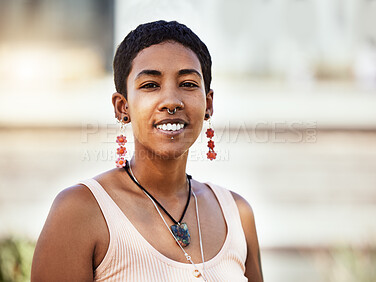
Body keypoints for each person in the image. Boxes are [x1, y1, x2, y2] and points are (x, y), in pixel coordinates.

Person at [31, 20, 263, 282]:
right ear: (122, 107)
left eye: (187, 84)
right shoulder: (81, 211)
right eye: (150, 85)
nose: (172, 101)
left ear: (208, 104)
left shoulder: (236, 214)